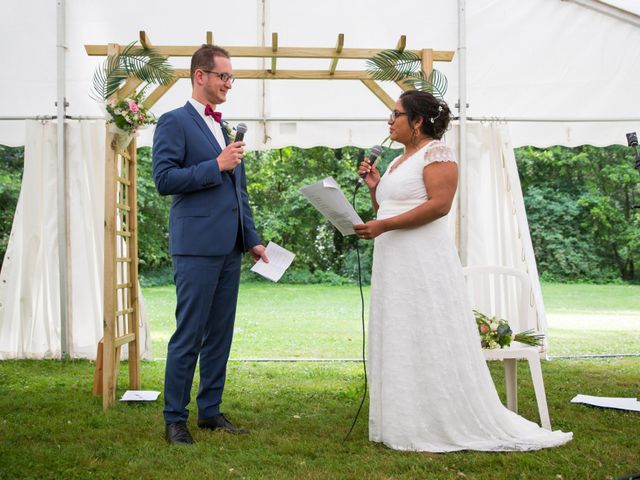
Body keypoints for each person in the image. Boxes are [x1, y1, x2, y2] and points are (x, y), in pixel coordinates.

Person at [354, 90, 572, 452]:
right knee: (400, 330)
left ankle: (439, 418)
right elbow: (390, 204)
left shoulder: (436, 152)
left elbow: (439, 206)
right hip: (393, 259)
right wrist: (377, 189)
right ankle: (402, 417)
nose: (389, 121)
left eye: (396, 115)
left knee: (426, 329)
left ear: (418, 121)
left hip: (422, 258)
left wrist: (384, 225)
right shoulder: (396, 161)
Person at [153, 44, 268, 445]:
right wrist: (214, 165)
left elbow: (240, 192)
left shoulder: (223, 127)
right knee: (190, 334)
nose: (229, 84)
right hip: (196, 246)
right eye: (224, 76)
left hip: (229, 247)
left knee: (220, 334)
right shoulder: (173, 122)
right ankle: (174, 418)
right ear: (200, 76)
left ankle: (210, 411)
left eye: (231, 77)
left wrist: (251, 239)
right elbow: (164, 180)